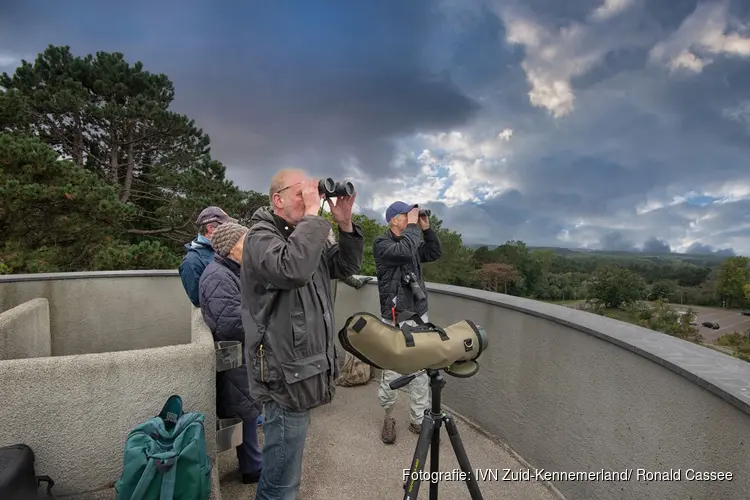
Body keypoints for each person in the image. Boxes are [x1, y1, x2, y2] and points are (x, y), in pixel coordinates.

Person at [240, 168, 364, 500]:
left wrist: (345, 224)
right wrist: (314, 214)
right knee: (282, 483)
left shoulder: (307, 237)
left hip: (304, 371)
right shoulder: (260, 237)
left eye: (312, 192)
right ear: (277, 199)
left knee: (286, 470)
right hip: (285, 377)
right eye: (302, 192)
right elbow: (291, 270)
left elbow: (346, 267)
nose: (311, 198)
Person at [198, 222, 263, 484]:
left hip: (239, 357)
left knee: (246, 411)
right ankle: (252, 468)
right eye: (244, 241)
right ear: (228, 248)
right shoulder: (217, 276)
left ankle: (253, 463)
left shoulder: (231, 271)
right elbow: (230, 323)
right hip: (233, 359)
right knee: (245, 412)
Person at [372, 201, 442, 444]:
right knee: (392, 369)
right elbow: (403, 251)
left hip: (419, 315)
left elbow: (433, 253)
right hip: (395, 316)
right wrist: (414, 227)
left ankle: (418, 418)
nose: (410, 217)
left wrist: (426, 228)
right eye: (406, 215)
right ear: (393, 220)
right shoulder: (383, 244)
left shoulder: (412, 243)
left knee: (421, 369)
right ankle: (388, 416)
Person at [179, 206, 237, 307]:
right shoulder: (191, 261)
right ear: (210, 228)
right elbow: (197, 299)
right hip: (209, 319)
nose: (230, 230)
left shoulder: (223, 251)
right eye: (225, 226)